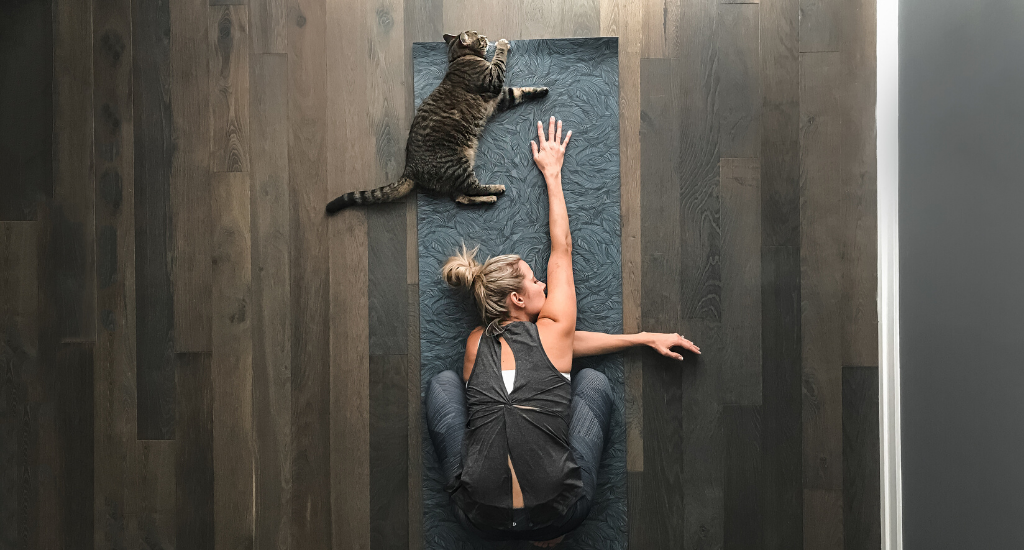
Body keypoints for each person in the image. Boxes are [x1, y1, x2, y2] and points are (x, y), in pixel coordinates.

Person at [425, 116, 701, 546]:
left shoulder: (475, 343)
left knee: (444, 385)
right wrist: (553, 174)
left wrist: (644, 337)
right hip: (561, 515)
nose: (543, 284)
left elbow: (557, 351)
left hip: (477, 518)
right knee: (591, 381)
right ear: (517, 300)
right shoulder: (553, 332)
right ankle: (547, 536)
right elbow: (562, 247)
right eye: (534, 281)